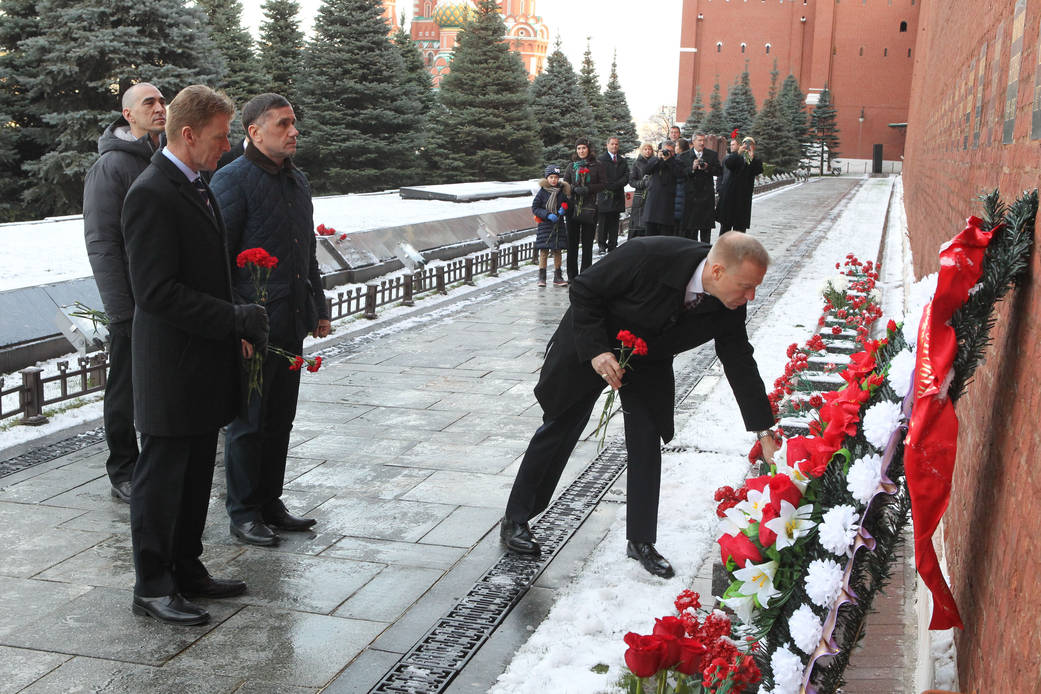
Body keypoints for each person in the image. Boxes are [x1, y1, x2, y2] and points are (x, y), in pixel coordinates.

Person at [500, 232, 779, 578]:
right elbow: (585, 289)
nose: (751, 295)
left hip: (648, 359)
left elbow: (739, 360)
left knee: (647, 442)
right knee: (561, 427)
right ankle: (516, 518)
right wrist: (597, 352)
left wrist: (764, 430)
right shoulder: (649, 255)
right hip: (593, 341)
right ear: (718, 271)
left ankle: (641, 541)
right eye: (746, 286)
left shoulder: (729, 301)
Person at [122, 85, 270, 626]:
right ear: (187, 134)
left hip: (201, 359)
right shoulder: (152, 192)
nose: (226, 146)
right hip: (170, 365)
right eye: (219, 135)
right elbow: (155, 292)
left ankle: (186, 567)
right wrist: (232, 319)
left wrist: (238, 318)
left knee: (191, 477)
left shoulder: (197, 186)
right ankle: (152, 583)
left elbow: (208, 272)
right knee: (161, 481)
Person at [211, 93, 332, 547]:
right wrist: (236, 323)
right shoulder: (232, 181)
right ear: (254, 132)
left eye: (294, 122)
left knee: (281, 416)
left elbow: (305, 252)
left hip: (290, 319)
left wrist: (317, 307)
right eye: (283, 124)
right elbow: (217, 261)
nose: (294, 131)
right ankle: (243, 511)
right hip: (252, 325)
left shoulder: (297, 182)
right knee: (249, 421)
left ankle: (269, 501)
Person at [82, 83, 167, 504]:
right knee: (125, 385)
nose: (160, 108)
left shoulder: (164, 157)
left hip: (163, 295)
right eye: (149, 102)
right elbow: (101, 241)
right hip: (131, 301)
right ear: (128, 115)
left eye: (162, 101)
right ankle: (123, 469)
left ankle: (153, 463)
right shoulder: (112, 166)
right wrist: (120, 308)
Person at [562, 138, 606, 280]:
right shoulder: (571, 166)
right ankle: (571, 275)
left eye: (583, 148)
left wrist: (588, 189)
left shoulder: (597, 165)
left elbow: (603, 184)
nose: (581, 151)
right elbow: (565, 184)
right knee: (572, 243)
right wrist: (574, 188)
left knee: (587, 243)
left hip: (590, 207)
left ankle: (585, 275)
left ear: (588, 149)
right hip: (573, 208)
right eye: (579, 148)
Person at [532, 164, 570, 288]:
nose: (553, 180)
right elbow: (535, 208)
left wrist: (564, 209)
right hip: (545, 225)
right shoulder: (542, 192)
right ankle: (542, 277)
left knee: (557, 250)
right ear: (547, 178)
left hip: (558, 225)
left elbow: (567, 204)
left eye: (556, 177)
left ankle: (558, 276)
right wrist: (547, 214)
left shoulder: (562, 192)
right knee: (544, 250)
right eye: (551, 177)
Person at [716, 136, 763, 233]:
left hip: (743, 200)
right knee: (725, 229)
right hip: (729, 198)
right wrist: (738, 153)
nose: (747, 146)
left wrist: (752, 157)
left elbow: (758, 170)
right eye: (745, 143)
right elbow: (729, 164)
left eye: (750, 144)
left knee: (740, 231)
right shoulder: (735, 156)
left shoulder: (754, 159)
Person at [683, 132, 723, 242]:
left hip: (706, 199)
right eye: (699, 140)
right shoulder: (685, 156)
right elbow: (680, 173)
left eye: (703, 140)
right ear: (693, 141)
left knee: (706, 235)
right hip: (691, 200)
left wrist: (707, 167)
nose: (702, 143)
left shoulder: (712, 155)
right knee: (691, 234)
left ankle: (705, 257)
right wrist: (692, 167)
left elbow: (719, 171)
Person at [641, 140, 685, 236]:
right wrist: (659, 158)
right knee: (650, 236)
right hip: (653, 204)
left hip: (667, 205)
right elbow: (646, 170)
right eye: (665, 150)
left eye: (670, 151)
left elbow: (680, 174)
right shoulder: (655, 160)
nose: (667, 153)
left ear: (673, 152)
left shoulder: (678, 162)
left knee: (665, 237)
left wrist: (669, 160)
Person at [596, 136, 630, 253]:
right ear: (607, 145)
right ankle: (601, 244)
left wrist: (617, 184)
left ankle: (612, 245)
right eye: (612, 144)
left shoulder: (622, 160)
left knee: (614, 222)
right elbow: (599, 176)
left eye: (616, 144)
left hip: (617, 195)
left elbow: (626, 176)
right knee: (603, 223)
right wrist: (609, 185)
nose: (614, 146)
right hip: (605, 195)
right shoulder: (601, 160)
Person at [627, 143, 654, 238]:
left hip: (652, 195)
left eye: (649, 149)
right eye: (645, 149)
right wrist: (642, 183)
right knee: (638, 223)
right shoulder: (637, 163)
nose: (647, 151)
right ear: (642, 150)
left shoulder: (655, 162)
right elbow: (631, 181)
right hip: (640, 196)